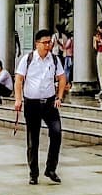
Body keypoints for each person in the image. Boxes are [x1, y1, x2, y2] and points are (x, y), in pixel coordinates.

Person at [14, 28, 68, 185]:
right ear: (37, 44)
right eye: (44, 43)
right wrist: (18, 99)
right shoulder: (28, 59)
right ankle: (33, 173)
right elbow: (19, 80)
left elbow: (62, 78)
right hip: (32, 103)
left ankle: (51, 168)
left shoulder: (55, 59)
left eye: (49, 42)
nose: (47, 45)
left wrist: (59, 96)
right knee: (33, 139)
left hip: (49, 102)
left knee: (56, 132)